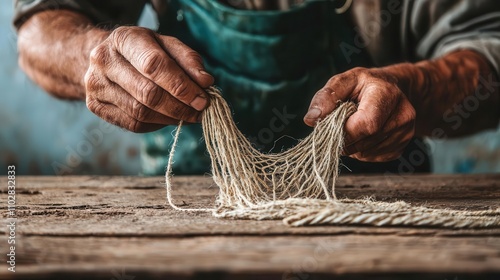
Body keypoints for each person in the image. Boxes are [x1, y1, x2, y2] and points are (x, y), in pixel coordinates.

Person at [14, 0, 500, 175]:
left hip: (369, 203)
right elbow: (39, 31)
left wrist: (413, 86)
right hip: (191, 206)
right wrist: (91, 55)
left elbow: (489, 49)